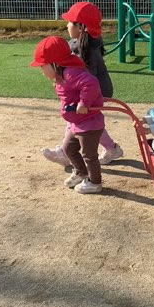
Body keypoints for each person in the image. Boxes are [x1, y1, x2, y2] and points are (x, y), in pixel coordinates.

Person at [41, 1, 123, 167]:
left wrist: (83, 100)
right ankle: (111, 148)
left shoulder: (87, 50)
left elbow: (88, 79)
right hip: (89, 90)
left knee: (79, 121)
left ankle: (65, 153)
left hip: (94, 92)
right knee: (91, 122)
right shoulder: (80, 43)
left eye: (70, 22)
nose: (67, 25)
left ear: (81, 27)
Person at [31, 36, 105, 194]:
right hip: (78, 123)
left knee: (89, 155)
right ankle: (81, 172)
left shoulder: (70, 73)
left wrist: (84, 103)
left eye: (43, 66)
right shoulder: (62, 75)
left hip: (89, 123)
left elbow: (91, 83)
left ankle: (95, 183)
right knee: (68, 148)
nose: (42, 71)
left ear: (54, 63)